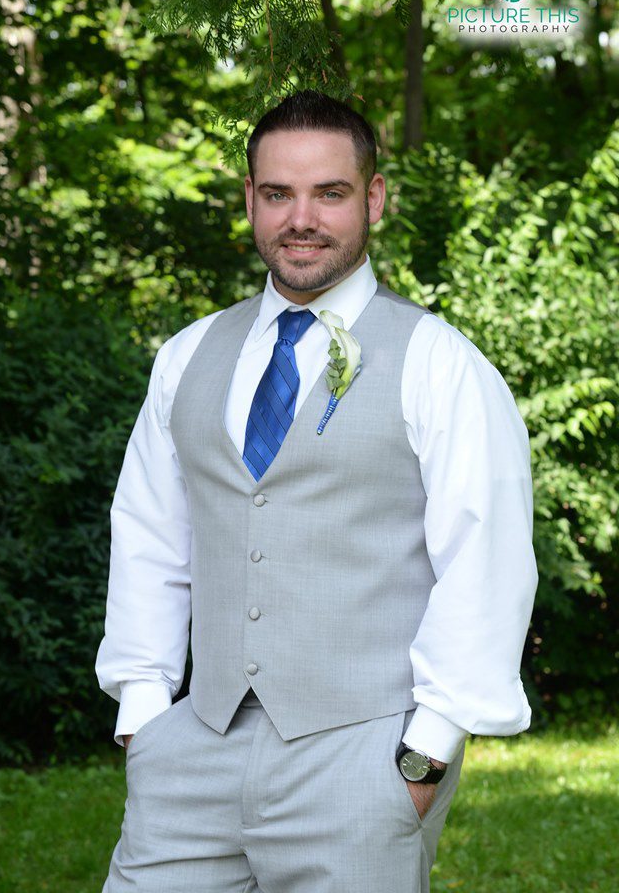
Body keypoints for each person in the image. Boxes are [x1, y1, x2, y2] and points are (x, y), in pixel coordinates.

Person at [96, 89, 538, 893]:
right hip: (191, 750)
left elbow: (487, 559)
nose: (301, 219)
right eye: (278, 193)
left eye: (329, 193)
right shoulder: (187, 356)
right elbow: (150, 537)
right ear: (250, 200)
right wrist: (143, 715)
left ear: (373, 198)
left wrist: (425, 753)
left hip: (363, 760)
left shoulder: (438, 361)